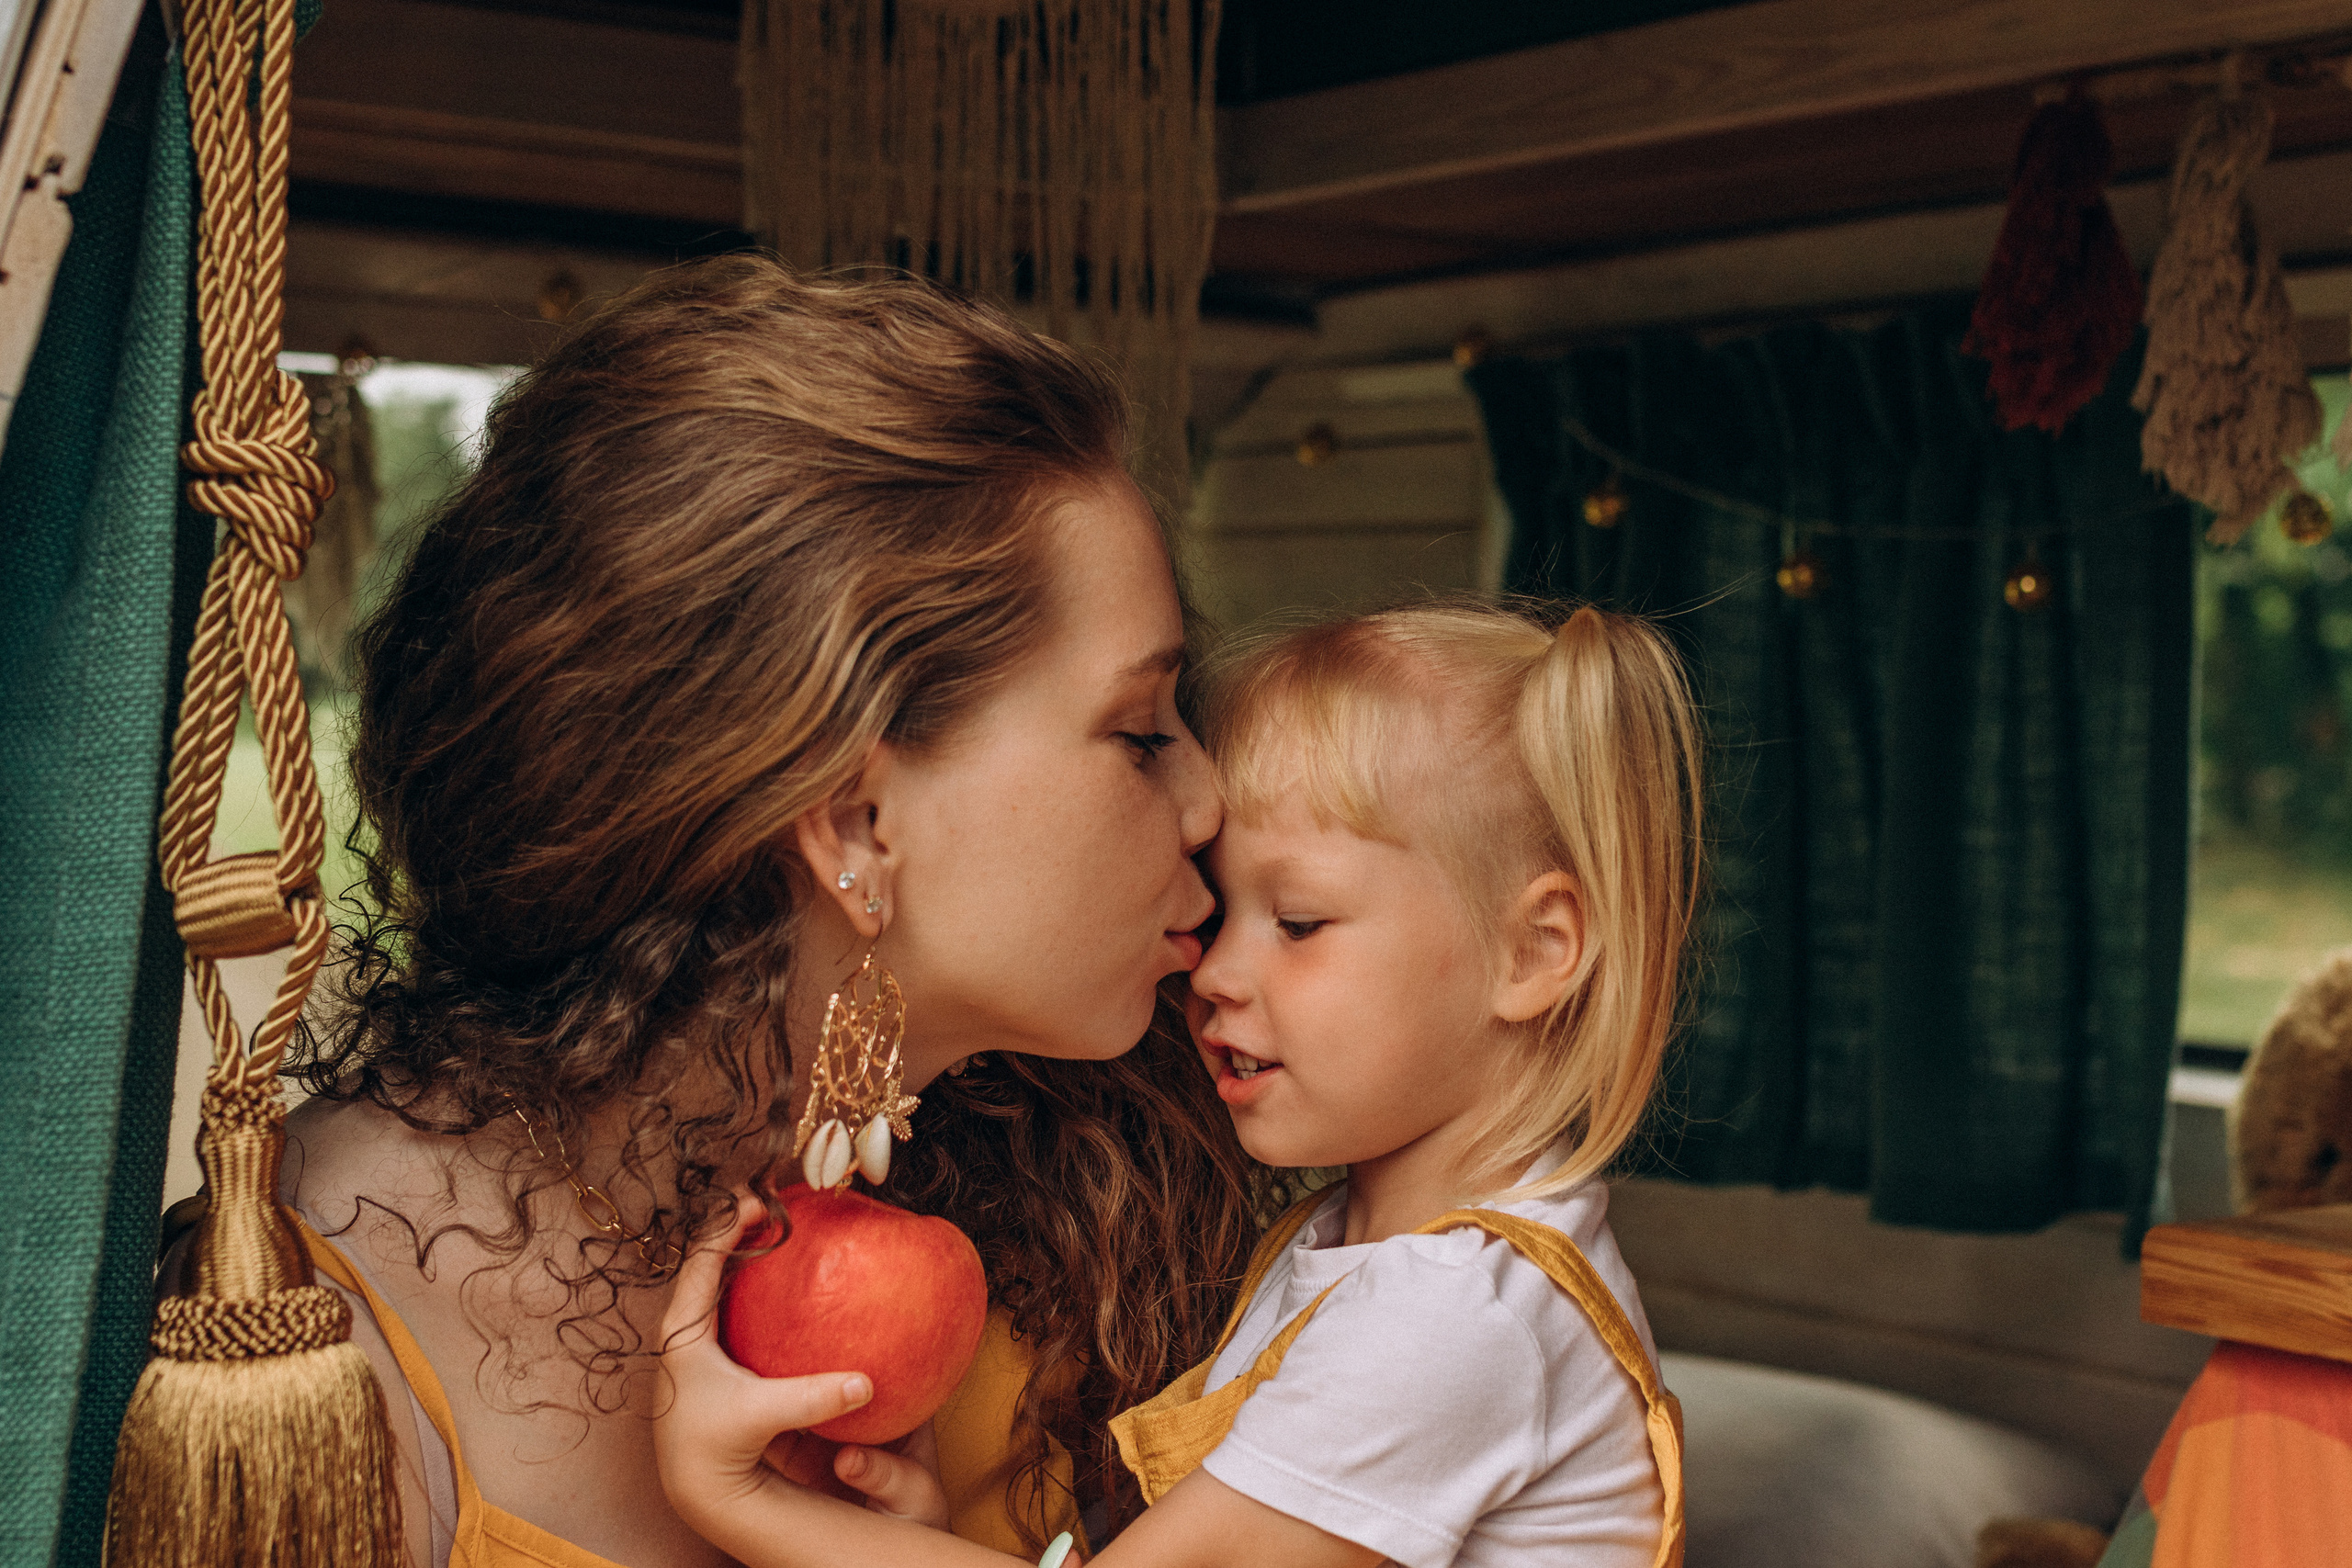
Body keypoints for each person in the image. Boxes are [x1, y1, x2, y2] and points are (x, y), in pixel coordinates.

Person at [276, 254, 1268, 1568]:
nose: (1206, 798)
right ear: (853, 824)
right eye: (1139, 730)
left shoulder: (1105, 1186)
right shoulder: (309, 1325)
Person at [654, 601, 1701, 1567]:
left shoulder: (1454, 1316)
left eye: (1297, 923)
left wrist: (736, 1499)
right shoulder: (1364, 1247)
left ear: (1533, 952)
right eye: (1222, 910)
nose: (1214, 971)